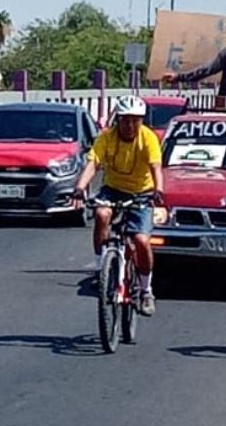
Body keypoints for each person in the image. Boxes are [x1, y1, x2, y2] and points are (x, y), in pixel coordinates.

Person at [70, 96, 166, 317]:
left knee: (141, 240)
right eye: (125, 120)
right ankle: (101, 267)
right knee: (101, 214)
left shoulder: (148, 138)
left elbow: (156, 167)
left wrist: (158, 190)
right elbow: (93, 164)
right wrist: (79, 188)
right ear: (117, 120)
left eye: (135, 120)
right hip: (113, 189)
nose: (130, 125)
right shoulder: (107, 138)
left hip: (142, 192)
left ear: (141, 121)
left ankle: (146, 290)